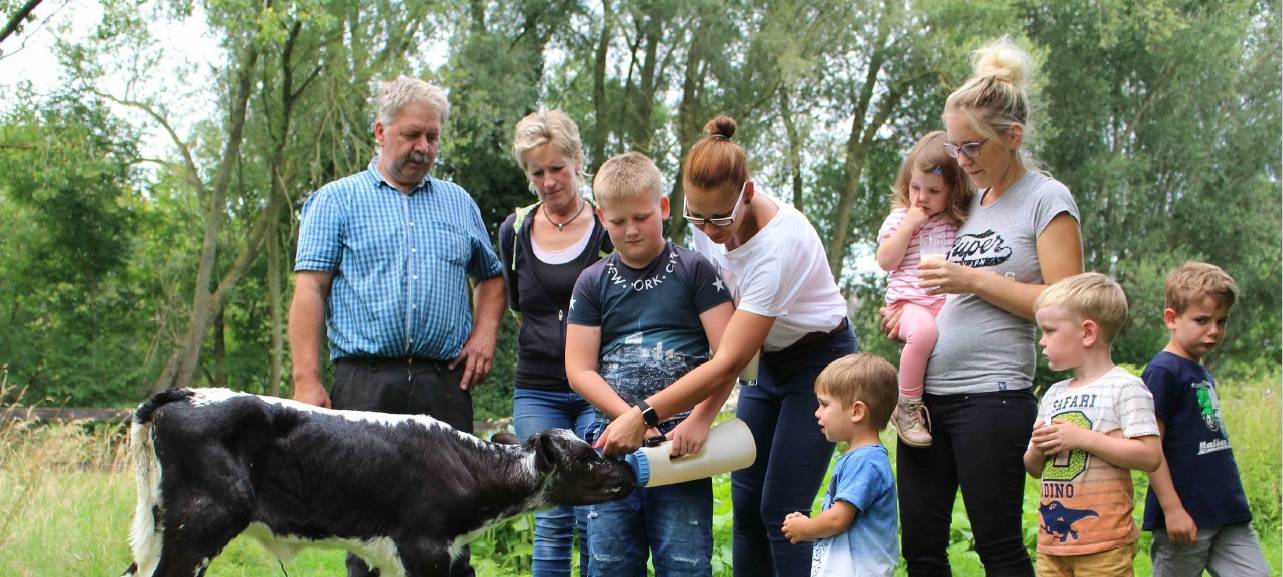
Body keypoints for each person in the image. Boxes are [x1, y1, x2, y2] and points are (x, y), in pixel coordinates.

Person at [592, 115, 857, 577]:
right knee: (747, 502)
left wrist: (661, 415)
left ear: (747, 193)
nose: (710, 231)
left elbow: (730, 357)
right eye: (698, 217)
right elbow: (731, 346)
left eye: (720, 218)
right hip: (763, 365)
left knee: (782, 509)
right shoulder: (704, 218)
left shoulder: (780, 246)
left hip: (819, 363)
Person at [882, 37, 1083, 577]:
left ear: (1012, 137)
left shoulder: (1046, 199)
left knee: (996, 547)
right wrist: (905, 315)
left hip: (991, 398)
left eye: (971, 147)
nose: (960, 160)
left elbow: (1068, 303)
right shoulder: (969, 204)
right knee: (921, 549)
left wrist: (971, 279)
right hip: (926, 404)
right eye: (954, 147)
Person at [289, 75, 505, 577]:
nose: (423, 147)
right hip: (364, 384)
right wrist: (307, 379)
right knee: (367, 522)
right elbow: (310, 291)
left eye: (432, 137)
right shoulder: (335, 201)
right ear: (380, 132)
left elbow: (491, 280)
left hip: (443, 384)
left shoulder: (459, 203)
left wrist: (484, 333)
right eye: (412, 135)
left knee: (452, 515)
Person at [564, 151, 736, 576]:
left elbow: (728, 357)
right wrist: (632, 419)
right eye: (618, 221)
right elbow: (579, 369)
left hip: (681, 446)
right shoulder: (592, 282)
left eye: (641, 216)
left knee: (684, 562)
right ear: (602, 217)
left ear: (662, 207)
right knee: (608, 562)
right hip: (612, 445)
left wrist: (700, 419)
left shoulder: (697, 271)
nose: (631, 229)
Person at [498, 109, 612, 577]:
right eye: (536, 172)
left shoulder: (609, 227)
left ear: (577, 161)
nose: (548, 181)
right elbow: (516, 303)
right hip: (537, 388)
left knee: (593, 511)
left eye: (556, 168)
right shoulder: (515, 231)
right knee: (550, 512)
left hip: (597, 386)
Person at [1022, 273, 1161, 576]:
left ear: (1087, 332)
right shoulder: (1054, 395)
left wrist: (1083, 438)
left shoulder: (1126, 388)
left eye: (1049, 331)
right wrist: (1038, 448)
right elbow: (1033, 468)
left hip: (1105, 545)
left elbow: (1150, 456)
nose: (1042, 342)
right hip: (1053, 544)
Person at [1141, 262, 1270, 576]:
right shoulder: (1163, 371)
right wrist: (1172, 509)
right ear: (1172, 318)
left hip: (1226, 510)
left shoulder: (1201, 371)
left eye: (1221, 321)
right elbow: (1149, 446)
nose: (1214, 330)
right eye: (1202, 320)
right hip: (1187, 515)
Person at [875, 130, 973, 447]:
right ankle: (907, 406)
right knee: (925, 333)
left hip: (942, 303)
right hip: (908, 304)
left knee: (946, 336)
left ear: (952, 191)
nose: (922, 197)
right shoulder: (899, 219)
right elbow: (886, 261)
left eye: (933, 191)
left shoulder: (955, 222)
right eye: (916, 187)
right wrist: (908, 227)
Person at [781, 353, 900, 577]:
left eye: (824, 404)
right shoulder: (860, 457)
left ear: (856, 411)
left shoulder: (865, 462)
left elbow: (838, 519)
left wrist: (807, 528)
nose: (817, 413)